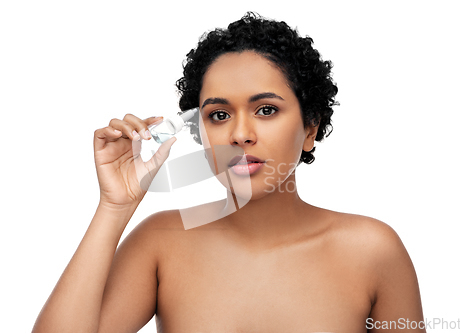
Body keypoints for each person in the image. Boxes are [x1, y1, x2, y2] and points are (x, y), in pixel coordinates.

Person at [32, 12, 425, 333]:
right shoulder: (161, 243)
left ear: (310, 128)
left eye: (266, 110)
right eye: (218, 115)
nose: (239, 134)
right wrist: (114, 207)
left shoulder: (373, 250)